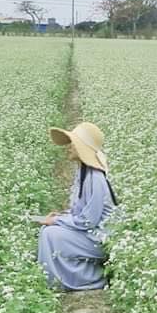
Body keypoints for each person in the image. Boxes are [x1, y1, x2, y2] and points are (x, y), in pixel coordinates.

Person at [37, 121, 120, 291]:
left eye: (72, 143)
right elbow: (81, 213)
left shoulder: (94, 177)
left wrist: (58, 221)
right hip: (91, 233)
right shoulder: (84, 173)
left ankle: (86, 279)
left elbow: (88, 221)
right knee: (48, 231)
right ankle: (64, 278)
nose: (68, 147)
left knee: (50, 234)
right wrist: (61, 216)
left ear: (82, 147)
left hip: (101, 238)